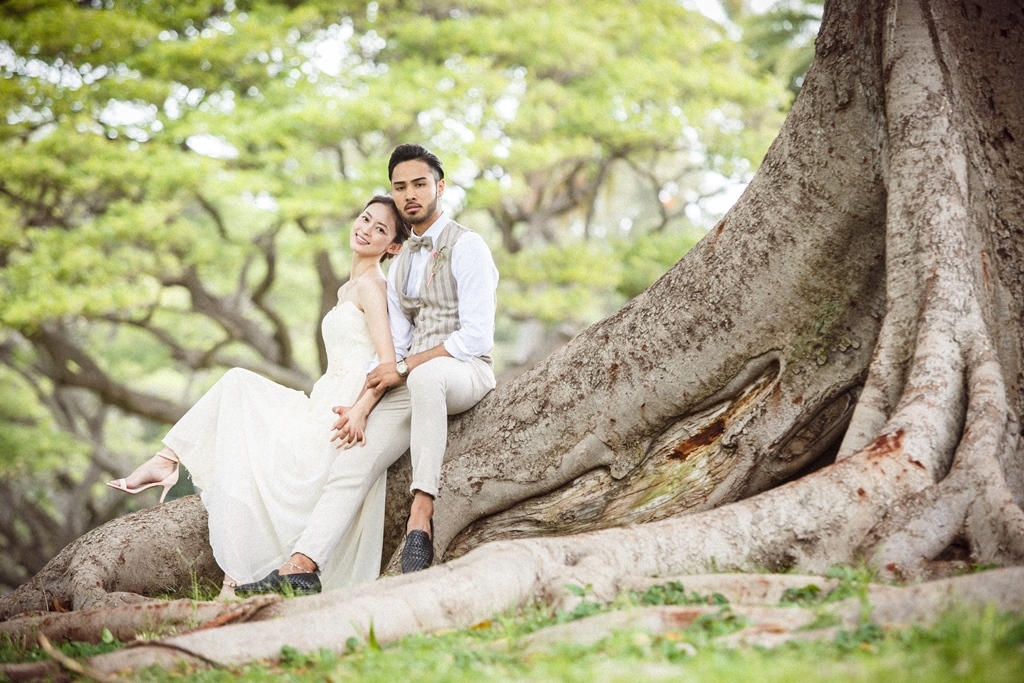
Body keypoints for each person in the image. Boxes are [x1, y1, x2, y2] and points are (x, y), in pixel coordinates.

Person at [107, 195, 411, 597]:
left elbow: (387, 364)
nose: (366, 230)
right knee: (240, 414)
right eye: (365, 218)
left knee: (239, 389)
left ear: (393, 247)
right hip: (323, 399)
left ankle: (168, 464)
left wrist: (360, 409)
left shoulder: (372, 287)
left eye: (380, 229)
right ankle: (225, 566)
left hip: (340, 413)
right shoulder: (347, 288)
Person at [235, 143, 498, 595]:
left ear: (440, 187)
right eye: (400, 187)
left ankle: (421, 516)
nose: (410, 194)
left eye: (419, 184)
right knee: (351, 461)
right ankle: (301, 567)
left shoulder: (468, 245)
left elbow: (475, 337)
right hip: (413, 380)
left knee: (428, 376)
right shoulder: (399, 265)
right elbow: (393, 350)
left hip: (465, 370)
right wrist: (361, 406)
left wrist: (406, 365)